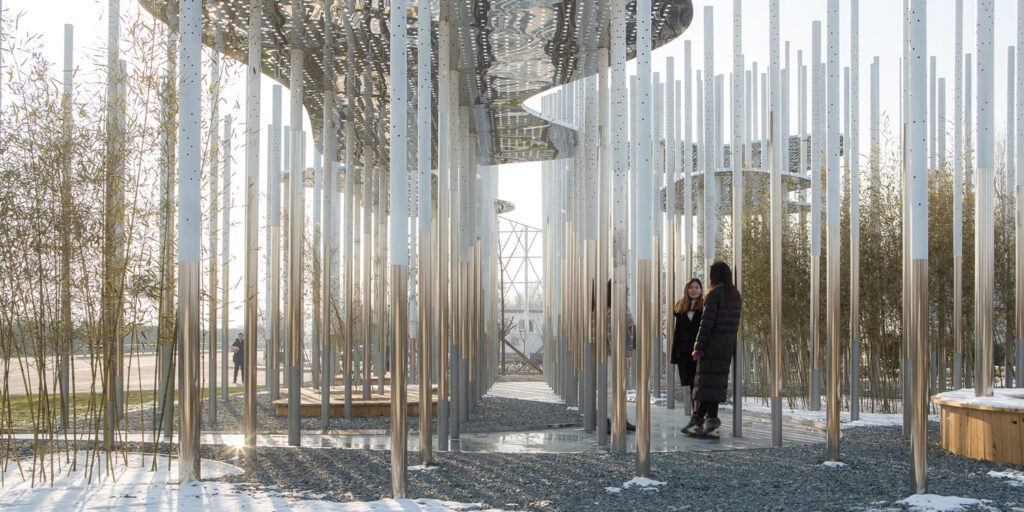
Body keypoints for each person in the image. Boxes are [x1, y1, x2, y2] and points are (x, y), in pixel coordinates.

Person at [682, 262, 742, 440]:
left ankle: (710, 424)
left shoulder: (714, 294)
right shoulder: (735, 295)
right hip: (726, 347)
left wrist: (698, 347)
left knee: (707, 385)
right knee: (711, 385)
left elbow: (706, 324)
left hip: (711, 346)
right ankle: (698, 422)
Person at [593, 279, 637, 434]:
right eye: (624, 289)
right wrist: (624, 354)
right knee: (611, 387)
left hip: (619, 353)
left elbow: (629, 331)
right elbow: (612, 334)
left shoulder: (621, 307)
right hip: (613, 354)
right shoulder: (610, 309)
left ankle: (620, 418)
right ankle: (609, 419)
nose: (626, 292)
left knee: (621, 387)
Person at [671, 277, 703, 414]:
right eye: (691, 287)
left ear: (701, 290)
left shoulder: (705, 307)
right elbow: (677, 333)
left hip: (700, 352)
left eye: (696, 287)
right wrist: (675, 354)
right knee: (691, 385)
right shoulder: (681, 307)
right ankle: (695, 415)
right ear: (687, 290)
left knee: (701, 385)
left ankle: (702, 415)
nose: (694, 290)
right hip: (685, 353)